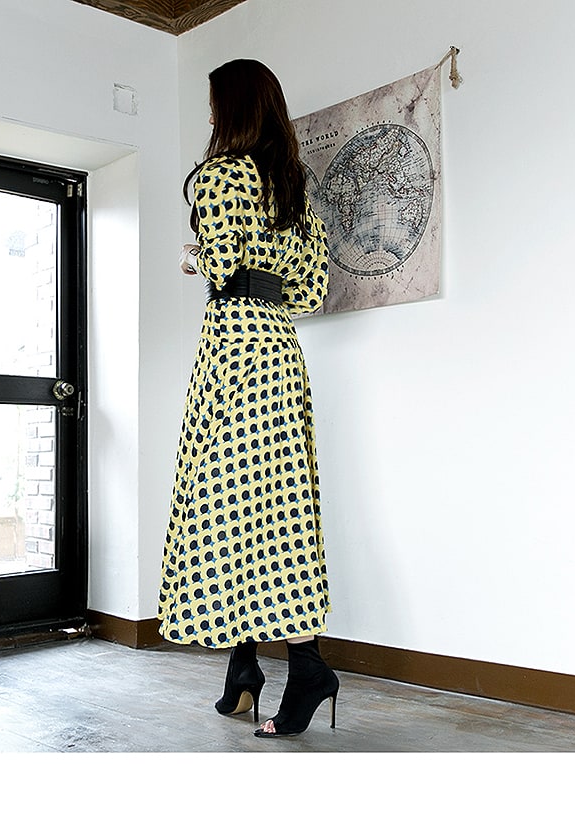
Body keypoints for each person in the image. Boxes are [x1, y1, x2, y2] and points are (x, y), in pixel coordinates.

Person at [158, 58, 338, 738]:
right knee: (272, 507)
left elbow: (221, 262)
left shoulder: (220, 176)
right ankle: (245, 671)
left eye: (213, 104)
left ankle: (302, 667)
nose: (208, 115)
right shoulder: (293, 187)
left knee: (225, 505)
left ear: (231, 109)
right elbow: (311, 292)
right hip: (280, 350)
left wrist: (192, 257)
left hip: (233, 344)